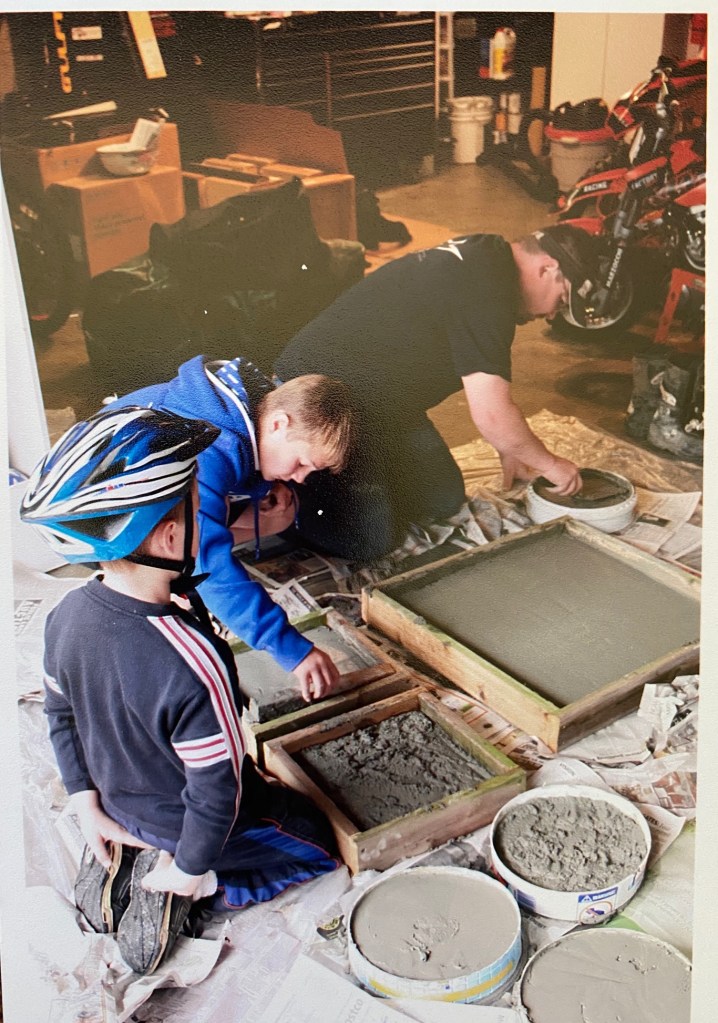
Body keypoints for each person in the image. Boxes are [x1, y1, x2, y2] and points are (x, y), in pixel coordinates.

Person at [21, 406, 341, 976]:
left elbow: (59, 714)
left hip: (114, 800)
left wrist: (83, 801)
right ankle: (189, 886)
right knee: (315, 845)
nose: (215, 522)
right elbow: (218, 792)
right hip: (183, 822)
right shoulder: (194, 660)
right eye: (203, 510)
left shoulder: (64, 618)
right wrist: (193, 867)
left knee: (162, 803)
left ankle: (130, 851)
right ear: (171, 536)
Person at [274, 223, 602, 561]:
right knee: (370, 539)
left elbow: (490, 396)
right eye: (561, 300)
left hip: (382, 403)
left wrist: (512, 448)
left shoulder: (488, 254)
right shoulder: (490, 288)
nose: (549, 314)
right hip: (319, 406)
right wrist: (551, 464)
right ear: (548, 268)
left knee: (443, 500)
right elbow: (491, 414)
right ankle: (280, 498)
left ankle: (366, 477)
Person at [108, 355, 357, 702]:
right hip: (99, 520)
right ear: (278, 424)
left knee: (282, 511)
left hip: (139, 492)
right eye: (300, 463)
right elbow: (209, 567)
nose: (301, 477)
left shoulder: (252, 403)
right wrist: (291, 649)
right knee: (190, 557)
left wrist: (263, 485)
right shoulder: (206, 448)